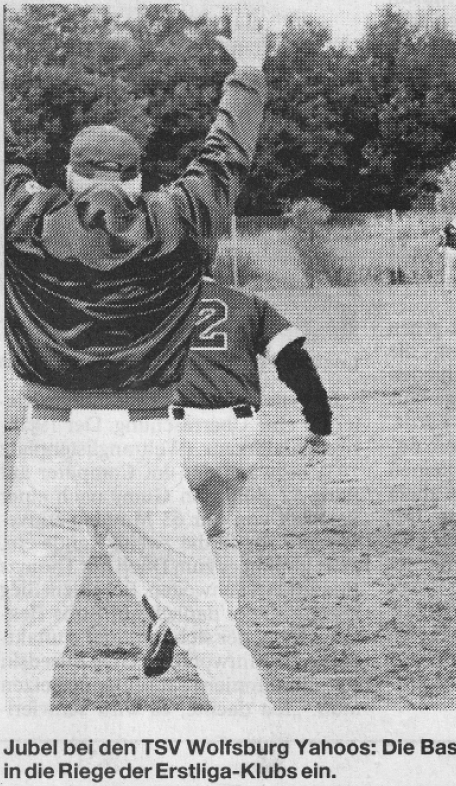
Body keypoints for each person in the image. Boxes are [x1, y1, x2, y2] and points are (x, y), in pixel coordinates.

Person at [4, 11, 274, 711]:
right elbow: (224, 156)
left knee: (28, 645)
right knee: (209, 627)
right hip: (147, 442)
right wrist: (246, 70)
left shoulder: (27, 218)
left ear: (68, 173)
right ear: (136, 178)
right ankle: (268, 752)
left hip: (50, 441)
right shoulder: (176, 219)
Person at [106, 271, 332, 677]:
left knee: (125, 533)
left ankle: (164, 613)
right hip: (236, 430)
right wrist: (319, 423)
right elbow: (294, 361)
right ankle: (218, 633)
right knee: (219, 534)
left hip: (170, 428)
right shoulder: (246, 302)